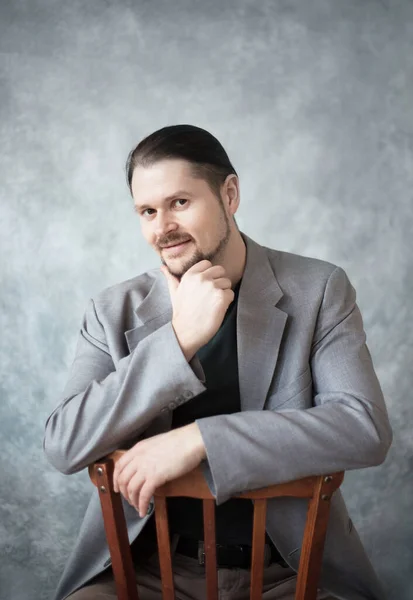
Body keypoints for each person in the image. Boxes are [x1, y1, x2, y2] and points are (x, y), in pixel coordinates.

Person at [44, 124, 392, 600]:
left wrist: (201, 440)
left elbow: (364, 428)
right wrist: (178, 341)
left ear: (229, 194)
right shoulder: (111, 311)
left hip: (289, 573)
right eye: (147, 211)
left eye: (179, 203)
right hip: (144, 571)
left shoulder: (320, 289)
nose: (162, 227)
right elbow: (64, 445)